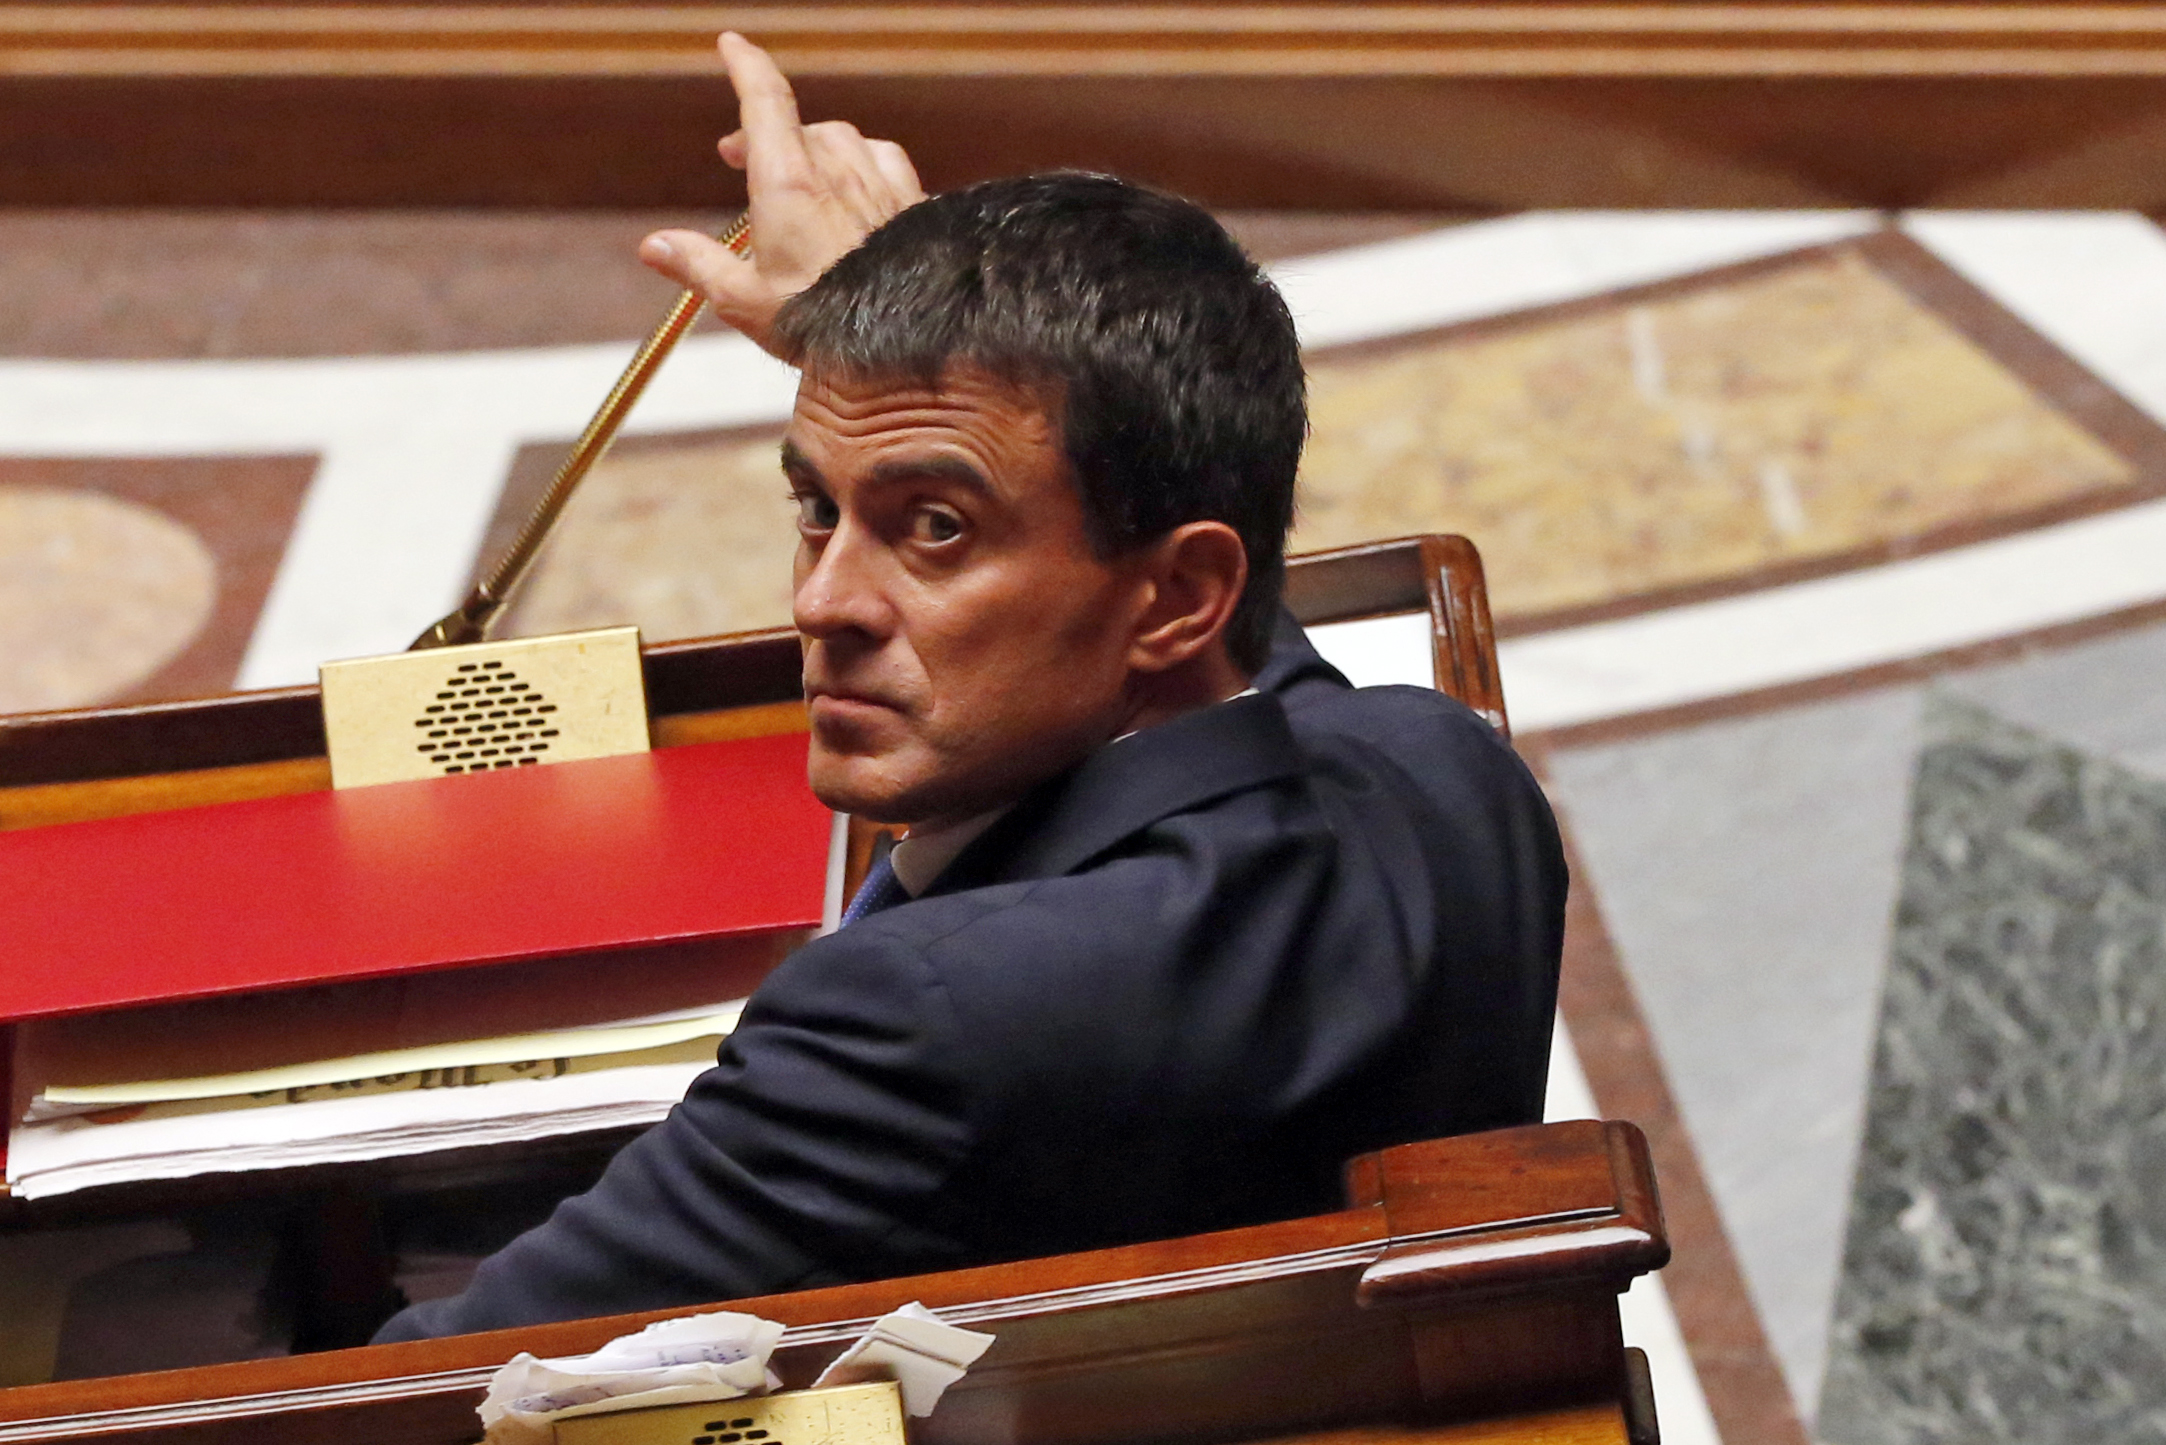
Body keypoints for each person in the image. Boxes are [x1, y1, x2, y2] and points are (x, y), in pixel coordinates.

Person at [374, 34, 1565, 1342]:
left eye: (935, 527)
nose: (824, 602)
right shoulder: (1446, 771)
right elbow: (1238, 639)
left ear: (1175, 594)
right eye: (819, 510)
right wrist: (916, 335)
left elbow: (429, 1390)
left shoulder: (917, 1020)